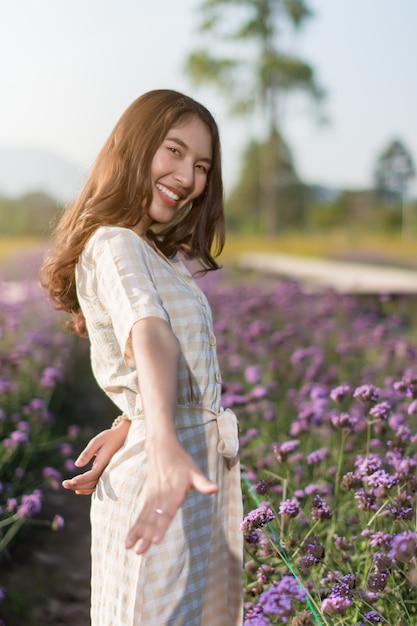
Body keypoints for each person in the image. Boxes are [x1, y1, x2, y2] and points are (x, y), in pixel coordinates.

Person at [40, 89, 243, 626]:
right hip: (165, 472)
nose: (188, 175)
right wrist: (161, 438)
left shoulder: (159, 254)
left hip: (184, 469)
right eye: (173, 151)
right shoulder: (114, 243)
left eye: (201, 165)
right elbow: (149, 335)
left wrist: (132, 420)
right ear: (133, 148)